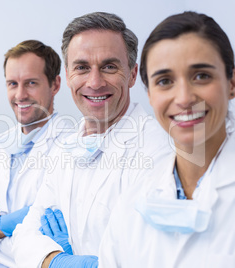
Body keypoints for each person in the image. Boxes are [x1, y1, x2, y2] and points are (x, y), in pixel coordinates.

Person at [98, 11, 235, 267]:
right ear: (150, 95)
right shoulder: (131, 201)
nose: (184, 98)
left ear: (232, 83)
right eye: (165, 81)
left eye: (201, 76)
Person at [12, 12, 171, 267]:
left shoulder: (158, 149)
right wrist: (56, 261)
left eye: (109, 66)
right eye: (82, 68)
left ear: (132, 74)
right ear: (67, 75)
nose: (94, 83)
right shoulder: (65, 149)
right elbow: (23, 237)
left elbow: (154, 255)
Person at [0, 40, 69, 268]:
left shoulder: (70, 147)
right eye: (12, 83)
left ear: (55, 85)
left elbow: (44, 240)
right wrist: (4, 224)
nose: (20, 94)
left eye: (31, 83)